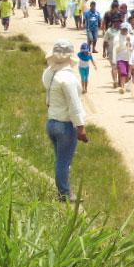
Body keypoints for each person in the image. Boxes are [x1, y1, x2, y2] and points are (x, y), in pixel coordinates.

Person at [42, 40, 87, 202]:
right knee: (64, 161)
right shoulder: (67, 78)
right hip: (64, 124)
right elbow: (74, 104)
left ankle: (63, 191)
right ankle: (64, 194)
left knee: (60, 159)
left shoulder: (50, 73)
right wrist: (81, 127)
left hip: (52, 121)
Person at [112, 23, 134, 94]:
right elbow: (116, 48)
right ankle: (122, 87)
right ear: (120, 29)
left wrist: (129, 42)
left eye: (125, 29)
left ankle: (126, 86)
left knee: (128, 74)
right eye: (123, 29)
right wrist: (114, 60)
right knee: (123, 72)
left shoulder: (131, 37)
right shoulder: (117, 37)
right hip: (120, 57)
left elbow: (132, 47)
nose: (124, 31)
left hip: (129, 58)